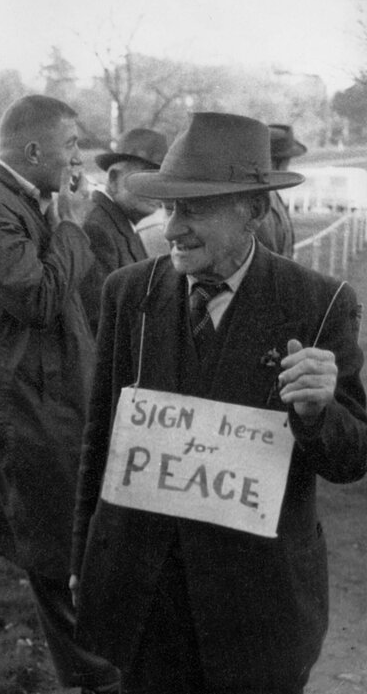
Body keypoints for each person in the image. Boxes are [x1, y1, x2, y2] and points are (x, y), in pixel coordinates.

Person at [71, 112, 367, 693]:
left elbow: (353, 457)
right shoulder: (129, 293)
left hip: (260, 610)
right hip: (148, 603)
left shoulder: (319, 304)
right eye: (169, 207)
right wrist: (86, 557)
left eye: (195, 209)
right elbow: (100, 437)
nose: (173, 229)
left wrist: (317, 414)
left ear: (253, 209)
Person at [0, 95, 121, 693]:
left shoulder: (23, 199)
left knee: (80, 550)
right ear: (34, 150)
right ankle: (100, 680)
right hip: (20, 405)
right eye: (71, 146)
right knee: (61, 556)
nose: (78, 159)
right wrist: (71, 225)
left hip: (51, 399)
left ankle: (101, 675)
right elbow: (38, 298)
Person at [80, 127, 169, 332]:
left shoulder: (116, 223)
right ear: (113, 179)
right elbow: (100, 320)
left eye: (162, 182)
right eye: (146, 179)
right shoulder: (97, 228)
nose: (157, 192)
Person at [254, 123, 306, 257]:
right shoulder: (256, 203)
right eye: (286, 160)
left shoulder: (273, 194)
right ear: (273, 163)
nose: (288, 166)